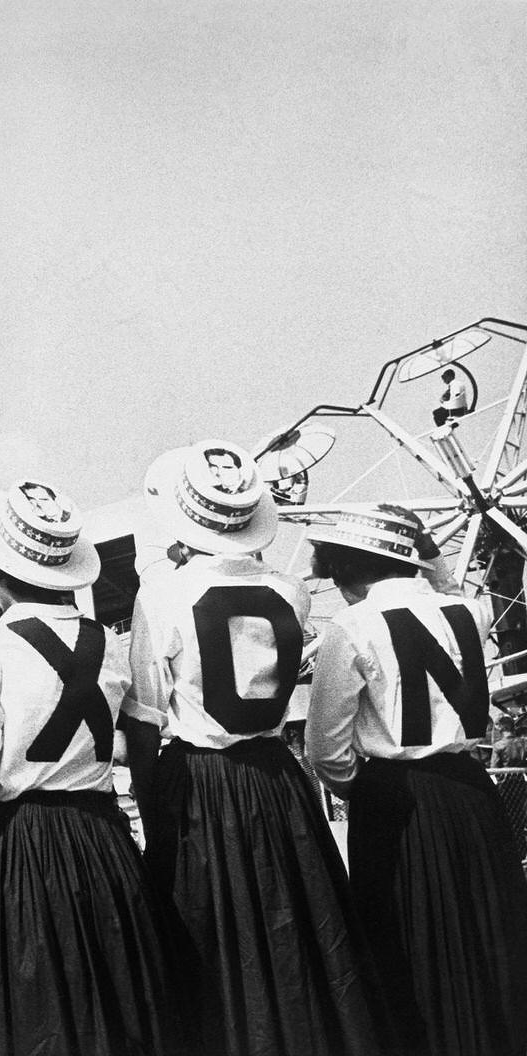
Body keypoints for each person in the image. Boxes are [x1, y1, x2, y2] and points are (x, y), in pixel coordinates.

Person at [125, 441, 384, 1056]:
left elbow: (143, 718)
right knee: (297, 920)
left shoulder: (162, 595)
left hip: (201, 781)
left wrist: (152, 802)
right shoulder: (289, 588)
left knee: (214, 932)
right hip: (277, 777)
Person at [0, 480, 180, 1056]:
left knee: (32, 995)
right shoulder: (110, 643)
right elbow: (139, 737)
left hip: (22, 842)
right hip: (101, 836)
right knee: (115, 990)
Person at [306, 504, 527, 1056]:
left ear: (348, 568)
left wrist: (359, 788)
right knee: (489, 929)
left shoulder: (352, 626)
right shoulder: (467, 611)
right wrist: (430, 555)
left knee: (411, 940)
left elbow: (325, 747)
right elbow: (446, 585)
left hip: (395, 796)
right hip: (471, 789)